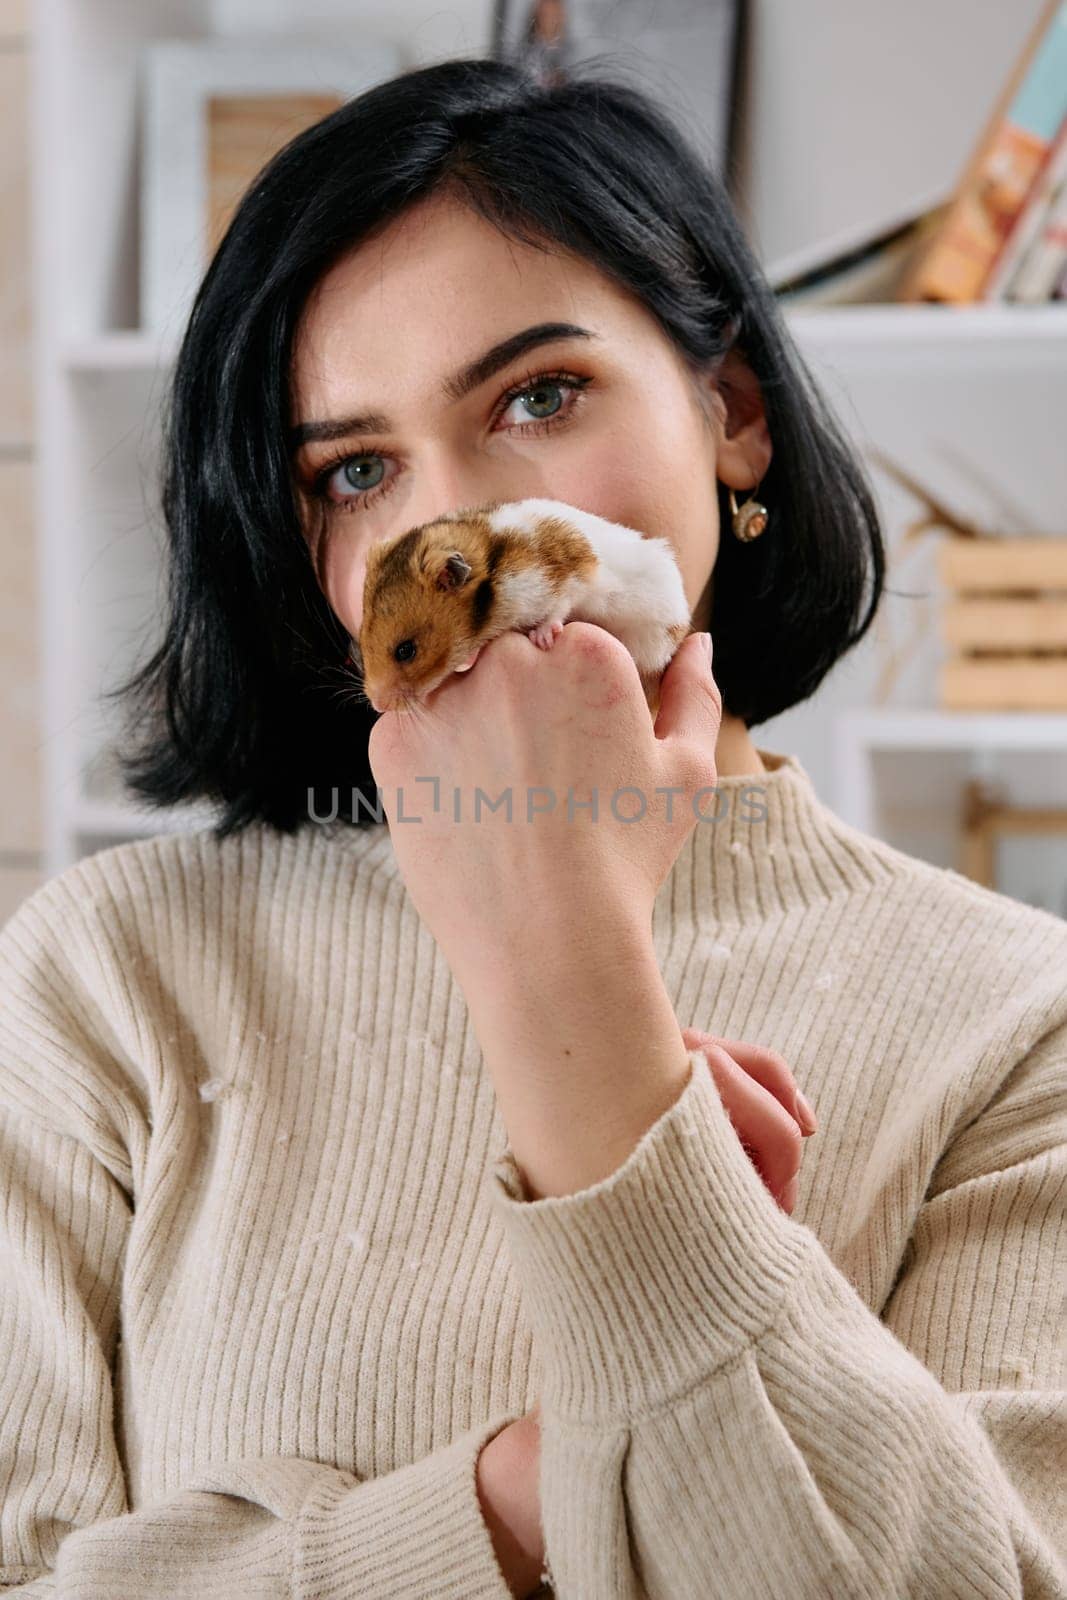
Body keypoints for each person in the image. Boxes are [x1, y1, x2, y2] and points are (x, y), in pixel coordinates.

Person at [1, 54, 1064, 1600]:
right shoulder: (109, 973)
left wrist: (578, 993)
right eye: (355, 470)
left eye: (538, 395)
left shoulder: (1019, 1023)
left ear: (734, 414)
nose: (459, 534)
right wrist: (526, 1497)